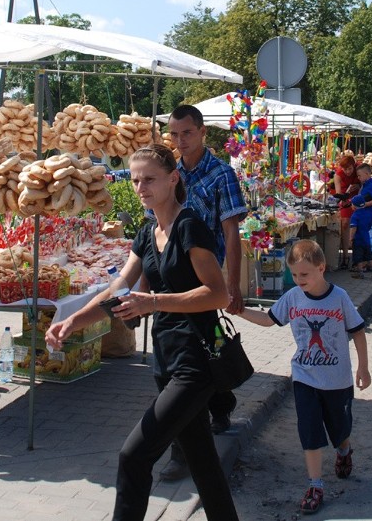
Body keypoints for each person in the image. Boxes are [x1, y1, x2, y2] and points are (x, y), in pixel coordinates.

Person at [46, 144, 239, 521]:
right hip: (166, 360)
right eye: (135, 180)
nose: (140, 187)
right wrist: (73, 320)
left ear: (173, 179)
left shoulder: (190, 226)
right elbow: (117, 287)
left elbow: (217, 294)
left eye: (149, 179)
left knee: (134, 455)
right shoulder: (149, 230)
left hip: (196, 362)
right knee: (203, 463)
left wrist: (154, 302)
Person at [236, 239, 370, 515]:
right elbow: (269, 320)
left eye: (304, 275)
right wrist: (240, 311)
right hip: (304, 377)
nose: (299, 280)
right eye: (294, 275)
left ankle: (344, 451)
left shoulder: (340, 297)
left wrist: (363, 368)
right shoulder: (293, 297)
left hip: (337, 380)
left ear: (321, 268)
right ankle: (315, 484)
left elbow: (357, 331)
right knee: (309, 430)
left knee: (339, 429)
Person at [160, 104, 247, 481]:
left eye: (187, 133)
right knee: (184, 360)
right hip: (173, 280)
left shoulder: (221, 174)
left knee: (211, 345)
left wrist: (233, 285)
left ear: (202, 132)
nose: (181, 141)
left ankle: (221, 402)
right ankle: (186, 440)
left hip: (207, 282)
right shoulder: (171, 172)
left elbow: (231, 231)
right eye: (174, 134)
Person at [348, 164, 372, 279]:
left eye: (359, 175)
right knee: (367, 244)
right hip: (367, 217)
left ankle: (361, 267)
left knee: (363, 246)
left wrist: (365, 204)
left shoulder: (371, 185)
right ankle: (369, 266)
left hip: (369, 217)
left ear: (367, 174)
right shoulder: (365, 185)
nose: (358, 178)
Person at [332, 154, 360, 269]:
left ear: (353, 166)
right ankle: (345, 255)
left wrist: (358, 186)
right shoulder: (338, 175)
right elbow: (339, 193)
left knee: (358, 226)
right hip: (345, 200)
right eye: (345, 169)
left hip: (358, 199)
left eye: (349, 169)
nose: (347, 171)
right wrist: (345, 196)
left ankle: (358, 257)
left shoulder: (359, 168)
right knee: (345, 223)